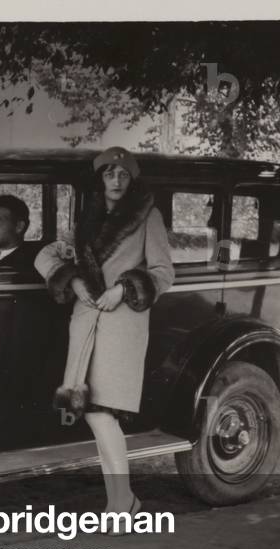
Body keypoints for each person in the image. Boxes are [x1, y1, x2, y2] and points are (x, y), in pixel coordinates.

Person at [34, 147, 174, 526]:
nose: (115, 181)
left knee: (101, 412)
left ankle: (124, 501)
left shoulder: (148, 216)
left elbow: (163, 273)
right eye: (109, 174)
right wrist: (73, 278)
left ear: (131, 181)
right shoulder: (87, 220)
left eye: (122, 175)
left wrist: (124, 289)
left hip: (122, 323)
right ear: (101, 179)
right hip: (86, 325)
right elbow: (45, 255)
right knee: (95, 413)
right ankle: (121, 501)